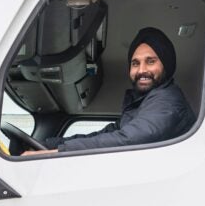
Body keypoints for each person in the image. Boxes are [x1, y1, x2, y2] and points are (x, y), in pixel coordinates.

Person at [30, 27, 195, 154]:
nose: (141, 70)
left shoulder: (167, 101)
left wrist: (59, 152)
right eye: (135, 63)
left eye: (150, 61)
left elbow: (128, 139)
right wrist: (49, 145)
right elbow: (104, 135)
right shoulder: (142, 105)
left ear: (166, 65)